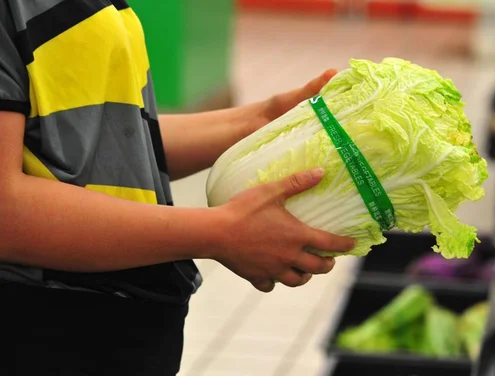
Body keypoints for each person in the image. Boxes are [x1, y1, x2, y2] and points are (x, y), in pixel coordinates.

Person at [0, 1, 355, 375]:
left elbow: (108, 140)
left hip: (111, 331)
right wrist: (221, 232)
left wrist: (261, 120)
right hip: (41, 332)